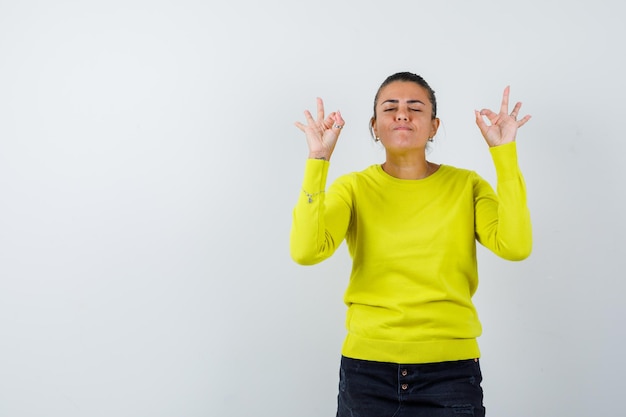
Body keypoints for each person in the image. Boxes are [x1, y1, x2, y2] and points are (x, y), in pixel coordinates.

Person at [290, 71, 532, 417]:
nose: (402, 115)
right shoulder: (353, 188)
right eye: (390, 108)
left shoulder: (467, 186)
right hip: (367, 371)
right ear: (375, 125)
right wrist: (318, 160)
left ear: (434, 126)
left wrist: (503, 153)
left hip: (450, 370)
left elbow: (516, 246)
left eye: (415, 108)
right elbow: (306, 251)